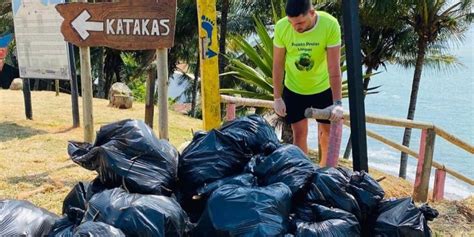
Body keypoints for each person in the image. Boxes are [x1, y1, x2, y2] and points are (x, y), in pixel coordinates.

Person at [272, 0, 343, 166]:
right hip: (294, 88)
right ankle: (303, 172)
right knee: (299, 134)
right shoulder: (282, 27)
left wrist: (337, 103)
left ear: (312, 13)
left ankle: (326, 174)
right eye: (292, 23)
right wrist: (277, 97)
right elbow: (277, 65)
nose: (296, 27)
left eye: (300, 23)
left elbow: (334, 67)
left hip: (322, 87)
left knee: (326, 133)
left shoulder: (330, 25)